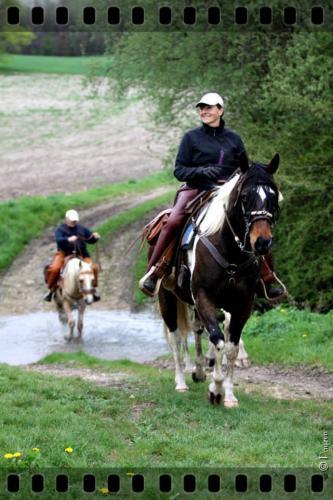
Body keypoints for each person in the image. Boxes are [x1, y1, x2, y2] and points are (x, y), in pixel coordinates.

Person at [139, 92, 284, 300]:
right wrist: (201, 172)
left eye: (209, 107)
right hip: (195, 189)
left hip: (227, 191)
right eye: (201, 108)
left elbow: (244, 169)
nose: (204, 111)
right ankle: (155, 271)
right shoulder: (191, 138)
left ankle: (268, 277)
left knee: (256, 219)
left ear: (220, 110)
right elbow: (179, 170)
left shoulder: (234, 139)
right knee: (174, 221)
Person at [44, 209, 101, 302]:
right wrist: (68, 239)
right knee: (54, 268)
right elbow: (58, 239)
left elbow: (90, 240)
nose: (74, 222)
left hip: (82, 254)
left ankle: (92, 290)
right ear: (67, 219)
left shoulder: (82, 229)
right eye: (72, 220)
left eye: (75, 220)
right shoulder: (60, 229)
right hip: (64, 254)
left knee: (93, 268)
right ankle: (51, 289)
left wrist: (95, 237)